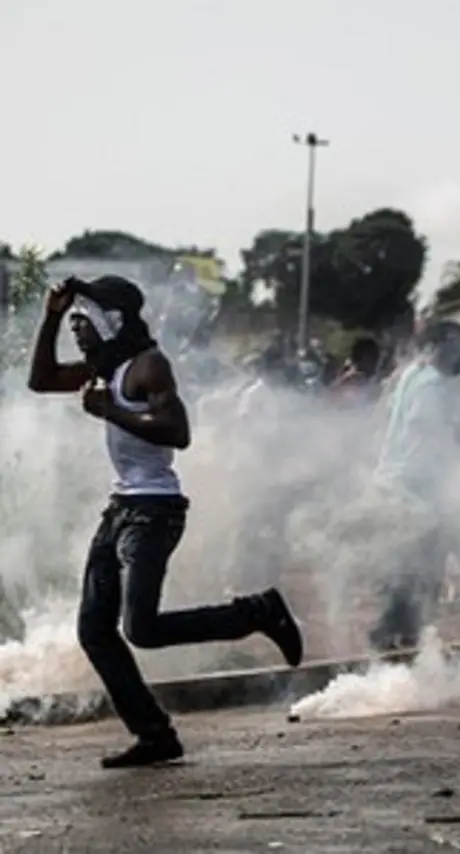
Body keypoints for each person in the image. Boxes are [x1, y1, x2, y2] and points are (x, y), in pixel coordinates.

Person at [27, 276, 303, 769]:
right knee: (94, 629)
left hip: (155, 511)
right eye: (71, 324)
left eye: (81, 323)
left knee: (142, 628)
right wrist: (49, 315)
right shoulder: (104, 367)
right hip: (120, 511)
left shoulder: (147, 365)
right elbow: (42, 380)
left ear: (110, 322)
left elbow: (179, 432)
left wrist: (111, 410)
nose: (76, 332)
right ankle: (154, 735)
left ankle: (257, 613)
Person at [368, 319, 460, 651]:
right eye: (456, 346)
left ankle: (397, 634)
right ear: (438, 347)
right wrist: (459, 435)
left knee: (406, 563)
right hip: (417, 483)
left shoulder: (413, 374)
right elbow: (427, 428)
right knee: (422, 567)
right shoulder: (432, 386)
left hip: (396, 479)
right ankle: (398, 635)